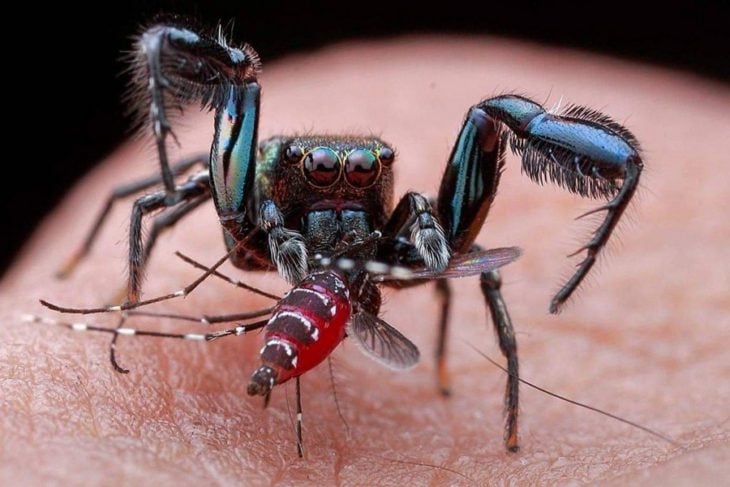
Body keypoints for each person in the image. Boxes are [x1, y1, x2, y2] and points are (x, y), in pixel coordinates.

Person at [2, 37, 728, 484]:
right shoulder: (248, 201)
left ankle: (485, 400)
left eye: (363, 176)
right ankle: (117, 291)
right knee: (156, 193)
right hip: (262, 231)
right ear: (296, 172)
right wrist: (131, 291)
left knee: (492, 128)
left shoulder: (398, 213)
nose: (345, 188)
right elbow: (145, 203)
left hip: (370, 252)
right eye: (322, 174)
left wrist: (434, 255)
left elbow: (451, 250)